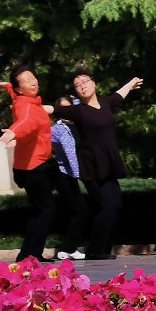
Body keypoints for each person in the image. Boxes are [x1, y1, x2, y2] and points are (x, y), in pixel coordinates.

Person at [51, 71, 144, 260]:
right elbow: (49, 109)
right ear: (76, 92)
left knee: (116, 206)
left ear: (94, 83)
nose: (82, 85)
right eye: (77, 85)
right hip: (91, 165)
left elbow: (118, 95)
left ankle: (103, 249)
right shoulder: (77, 110)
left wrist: (130, 83)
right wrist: (22, 102)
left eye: (85, 81)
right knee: (106, 206)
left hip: (108, 163)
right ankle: (94, 249)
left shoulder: (105, 103)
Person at [0, 65, 58, 263]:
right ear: (21, 89)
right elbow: (25, 122)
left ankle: (30, 255)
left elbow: (15, 97)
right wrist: (13, 132)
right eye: (27, 81)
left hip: (32, 164)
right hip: (34, 167)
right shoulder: (28, 106)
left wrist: (8, 86)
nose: (33, 82)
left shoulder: (23, 99)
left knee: (40, 210)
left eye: (33, 78)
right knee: (45, 211)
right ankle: (29, 256)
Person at [50, 96, 90, 260]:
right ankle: (67, 248)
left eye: (70, 108)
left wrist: (77, 99)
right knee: (80, 211)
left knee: (78, 210)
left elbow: (82, 108)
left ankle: (69, 248)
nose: (67, 113)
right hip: (63, 173)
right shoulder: (58, 129)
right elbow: (70, 154)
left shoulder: (76, 125)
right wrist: (79, 174)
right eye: (63, 110)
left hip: (70, 173)